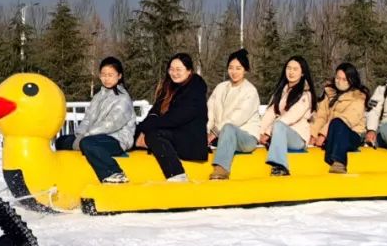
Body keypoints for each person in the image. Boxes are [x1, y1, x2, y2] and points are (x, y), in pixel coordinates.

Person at [55, 57, 136, 184]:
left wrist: (86, 136)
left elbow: (111, 124)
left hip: (116, 138)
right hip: (93, 136)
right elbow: (88, 118)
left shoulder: (123, 98)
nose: (106, 78)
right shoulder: (99, 96)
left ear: (119, 76)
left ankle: (115, 172)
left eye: (110, 75)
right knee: (62, 141)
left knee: (88, 143)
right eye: (103, 75)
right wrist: (79, 134)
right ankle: (67, 174)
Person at [134, 53, 208, 181]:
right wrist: (142, 129)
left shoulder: (195, 88)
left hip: (190, 139)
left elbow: (176, 118)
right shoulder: (169, 87)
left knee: (154, 134)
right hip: (173, 133)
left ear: (189, 71)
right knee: (136, 133)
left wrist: (147, 130)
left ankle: (177, 175)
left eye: (179, 69)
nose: (174, 73)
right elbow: (154, 112)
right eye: (171, 69)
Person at [207, 49, 262, 180]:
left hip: (246, 138)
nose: (234, 72)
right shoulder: (221, 87)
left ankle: (222, 168)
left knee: (229, 127)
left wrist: (214, 132)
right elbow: (210, 111)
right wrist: (206, 132)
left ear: (245, 70)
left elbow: (236, 118)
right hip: (221, 135)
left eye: (238, 68)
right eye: (231, 68)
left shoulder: (250, 91)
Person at [258, 56, 317, 176]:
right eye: (288, 68)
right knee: (276, 125)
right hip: (280, 133)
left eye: (295, 69)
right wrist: (260, 131)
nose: (291, 72)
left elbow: (291, 116)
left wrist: (269, 132)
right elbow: (271, 112)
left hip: (298, 138)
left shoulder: (306, 94)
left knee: (279, 124)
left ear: (302, 73)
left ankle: (281, 166)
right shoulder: (281, 90)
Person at [310, 62, 369, 174]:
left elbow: (347, 119)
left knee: (337, 122)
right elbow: (321, 116)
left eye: (344, 79)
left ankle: (339, 162)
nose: (339, 82)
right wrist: (313, 134)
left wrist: (323, 134)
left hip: (352, 134)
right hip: (331, 134)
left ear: (351, 80)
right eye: (338, 78)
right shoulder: (329, 94)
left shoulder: (358, 97)